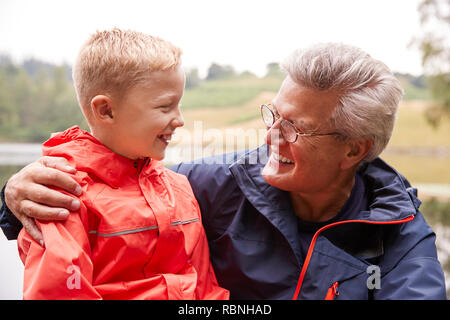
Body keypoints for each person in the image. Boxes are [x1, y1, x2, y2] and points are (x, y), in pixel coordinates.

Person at [1, 43, 447, 299]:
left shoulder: (401, 238)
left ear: (354, 150)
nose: (271, 135)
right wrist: (13, 195)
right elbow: (113, 190)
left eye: (295, 128)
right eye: (273, 114)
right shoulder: (203, 185)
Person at [3, 28, 229, 300]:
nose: (179, 119)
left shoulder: (179, 188)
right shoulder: (61, 195)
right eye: (165, 107)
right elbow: (61, 292)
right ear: (106, 110)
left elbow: (204, 285)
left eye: (179, 105)